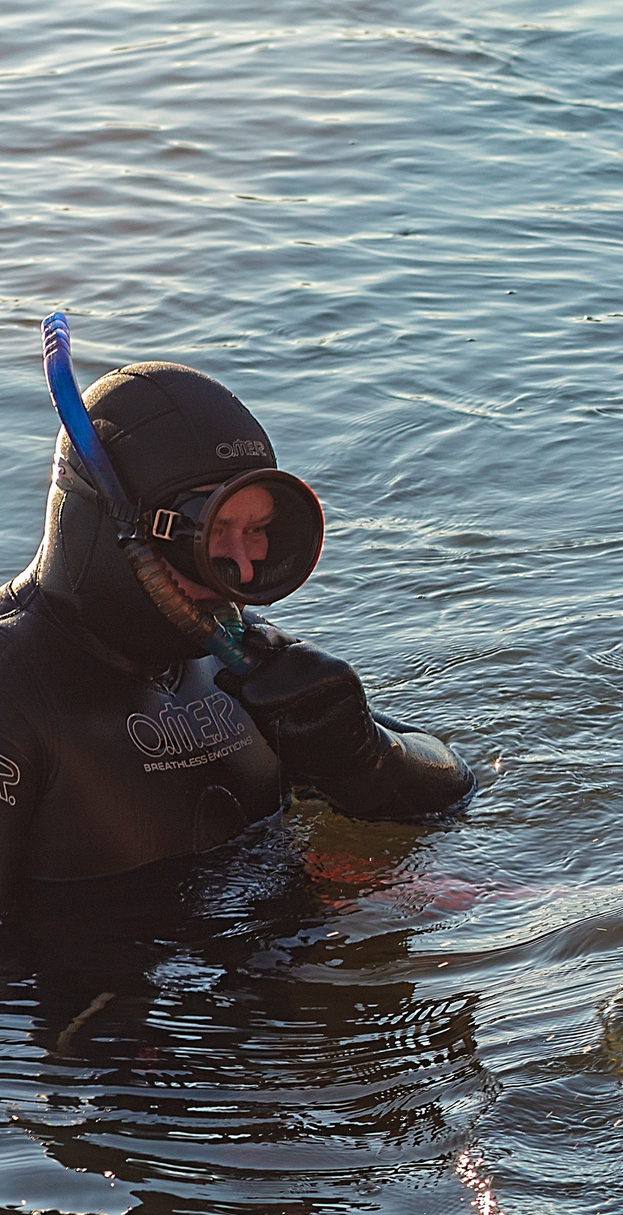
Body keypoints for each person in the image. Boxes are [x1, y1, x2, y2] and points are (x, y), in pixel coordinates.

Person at [0, 353, 474, 899]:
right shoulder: (14, 693)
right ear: (114, 530)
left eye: (260, 531)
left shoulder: (241, 664)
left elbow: (453, 790)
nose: (241, 569)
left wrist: (364, 755)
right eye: (210, 531)